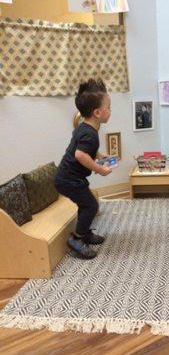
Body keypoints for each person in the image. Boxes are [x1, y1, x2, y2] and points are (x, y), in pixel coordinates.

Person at [55, 79, 112, 259]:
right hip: (68, 180)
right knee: (90, 205)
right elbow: (80, 155)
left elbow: (84, 150)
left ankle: (84, 232)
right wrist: (99, 169)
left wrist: (99, 156)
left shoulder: (85, 128)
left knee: (85, 203)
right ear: (97, 112)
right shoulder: (90, 133)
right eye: (108, 107)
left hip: (68, 177)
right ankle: (77, 239)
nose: (110, 110)